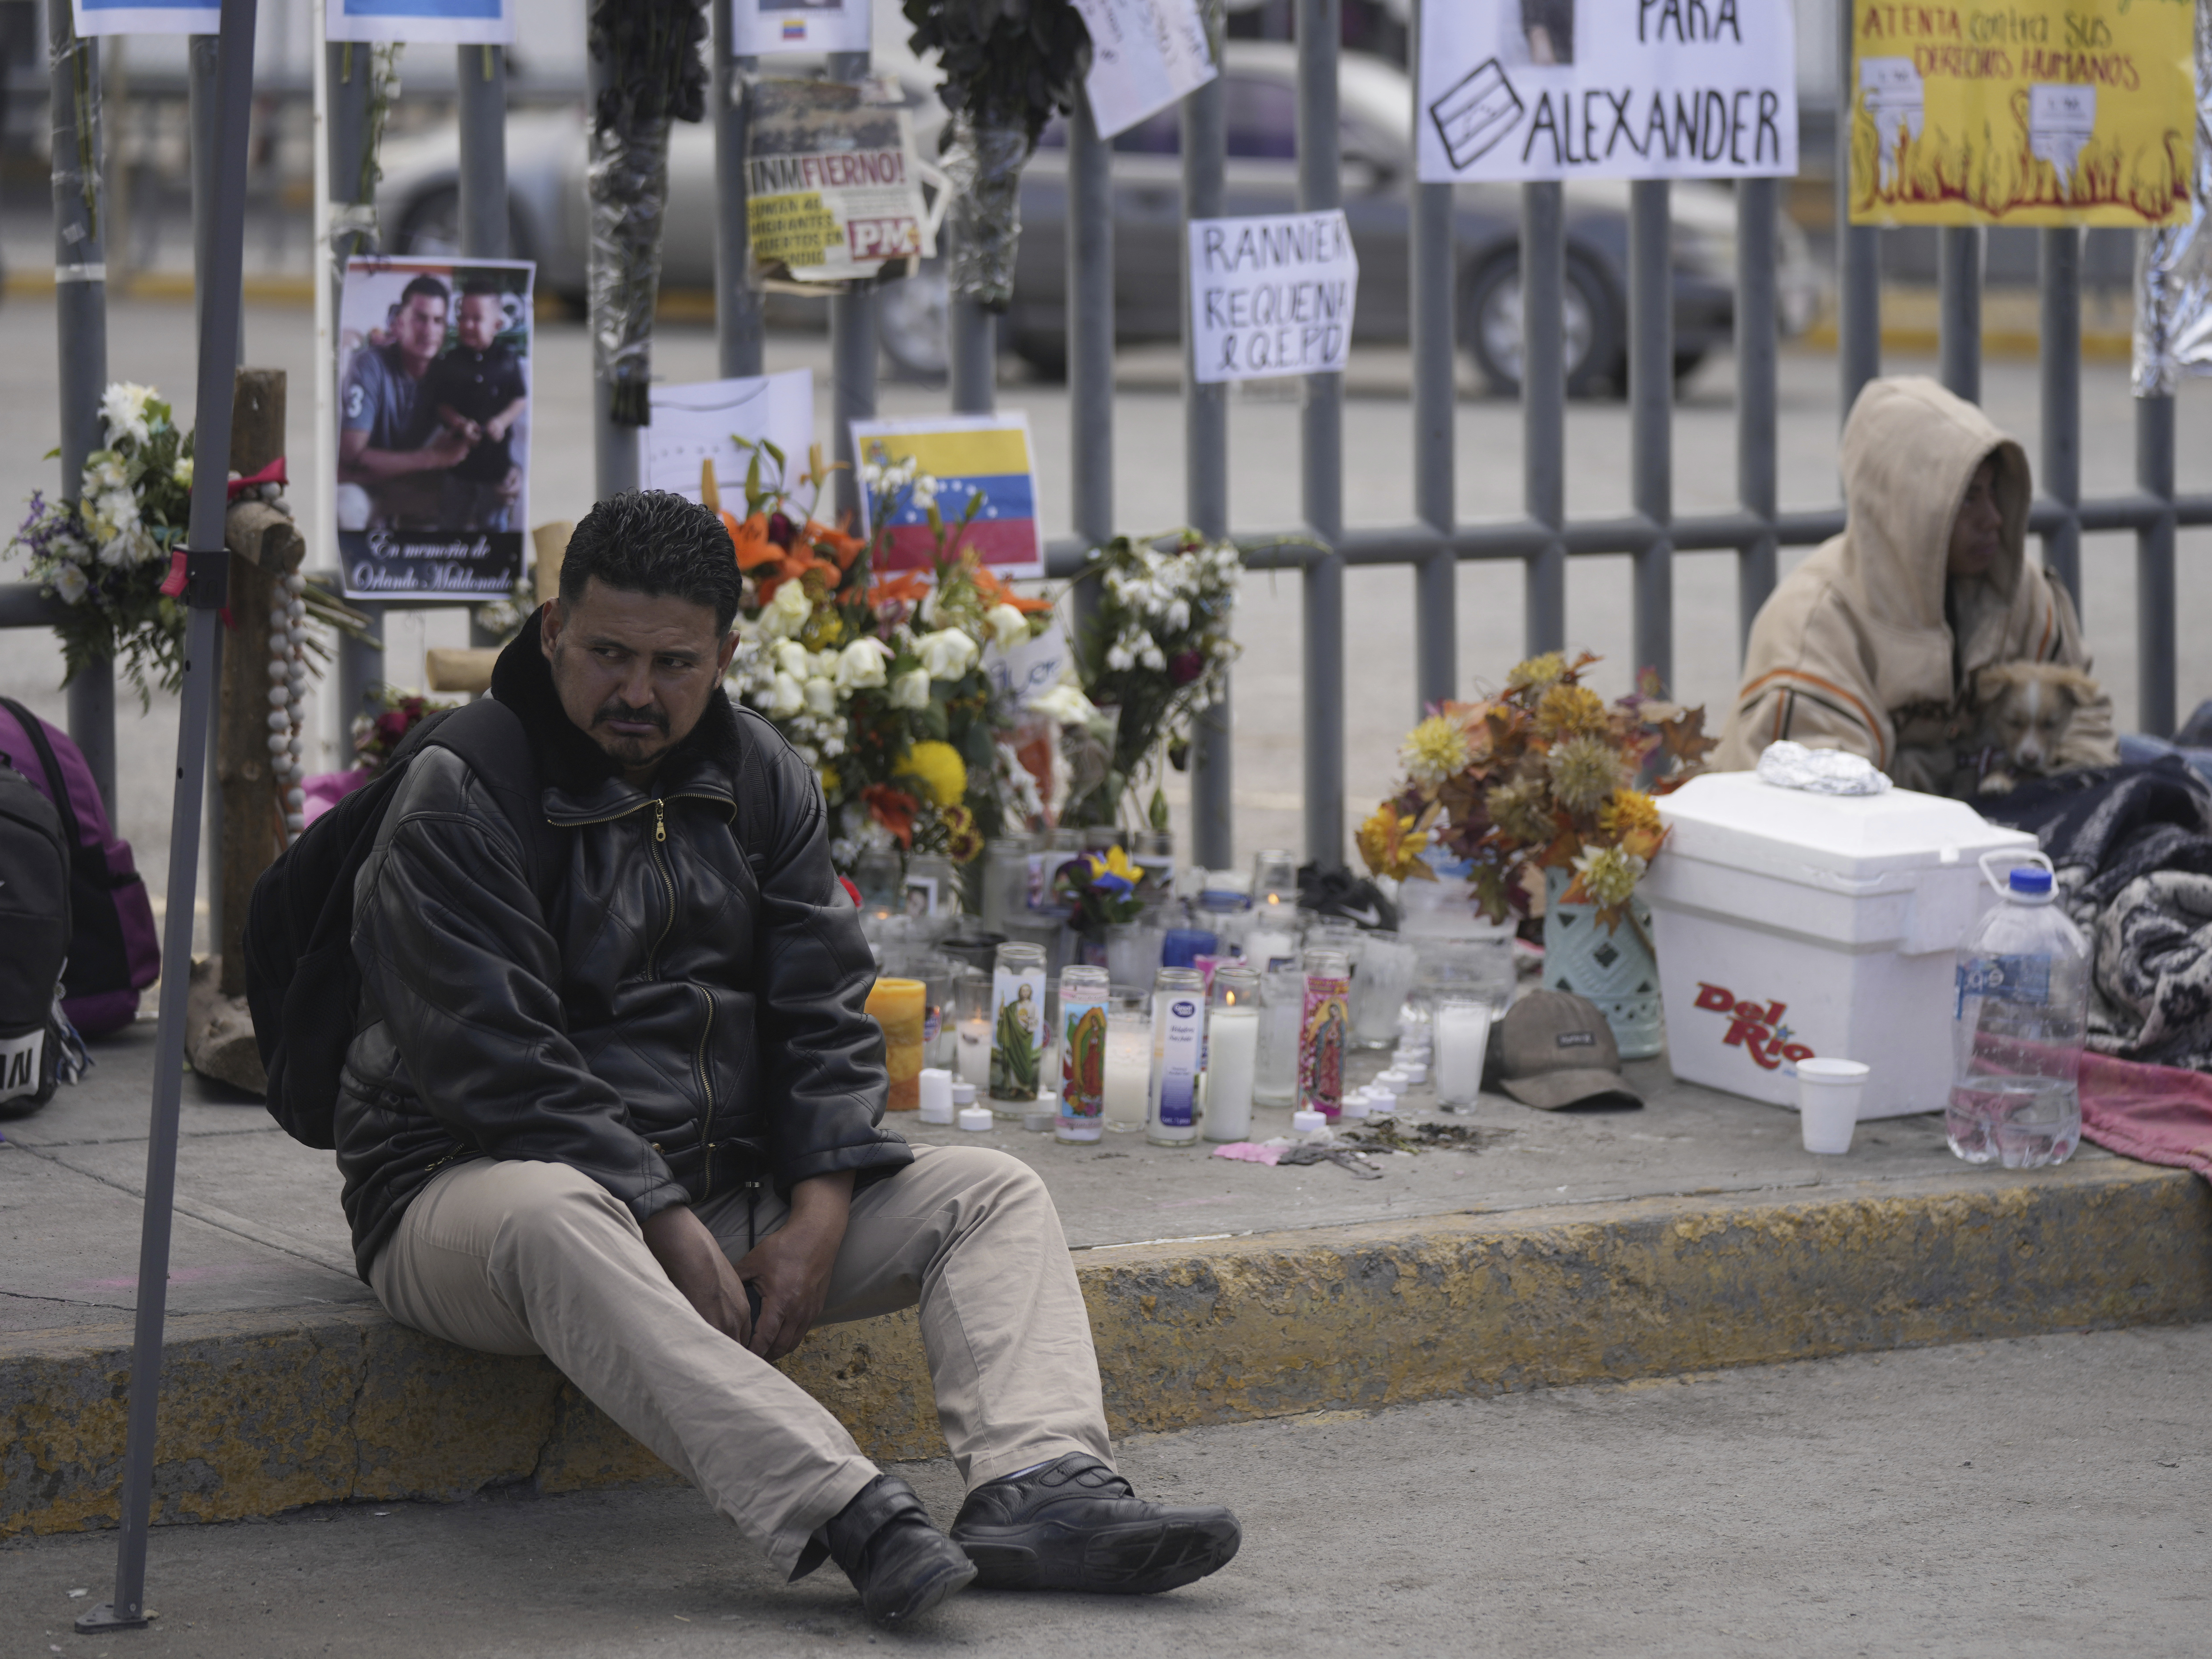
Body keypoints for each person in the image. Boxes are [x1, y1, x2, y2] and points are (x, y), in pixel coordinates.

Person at [337, 491, 1239, 1627]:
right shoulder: (461, 792)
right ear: (553, 628)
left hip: (710, 1188)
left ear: (723, 654)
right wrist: (663, 1216)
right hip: (465, 1192)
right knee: (557, 1212)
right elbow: (501, 1065)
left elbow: (824, 1009)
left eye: (672, 664)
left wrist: (816, 1215)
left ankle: (1040, 1483)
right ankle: (844, 1507)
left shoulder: (760, 773)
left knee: (990, 1192)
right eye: (607, 652)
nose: (634, 690)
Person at [1714, 376, 2117, 789]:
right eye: (1968, 499)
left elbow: (2086, 724)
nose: (1994, 519)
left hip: (2006, 812)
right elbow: (1825, 800)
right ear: (1907, 508)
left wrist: (2056, 793)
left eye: (1996, 492)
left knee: (2172, 775)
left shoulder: (2019, 588)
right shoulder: (1813, 625)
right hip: (1883, 836)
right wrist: (1968, 778)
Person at [336, 273, 472, 531]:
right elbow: (352, 455)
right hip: (367, 488)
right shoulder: (369, 364)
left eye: (438, 321)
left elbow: (465, 450)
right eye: (420, 318)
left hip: (411, 489)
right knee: (346, 506)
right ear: (400, 322)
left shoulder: (450, 373)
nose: (429, 330)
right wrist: (432, 458)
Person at [425, 280, 529, 531]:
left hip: (495, 466)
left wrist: (502, 422)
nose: (468, 325)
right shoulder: (449, 361)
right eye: (463, 318)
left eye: (477, 319)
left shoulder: (507, 361)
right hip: (458, 465)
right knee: (452, 521)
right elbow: (441, 404)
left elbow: (520, 398)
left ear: (497, 325)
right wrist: (459, 422)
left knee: (493, 524)